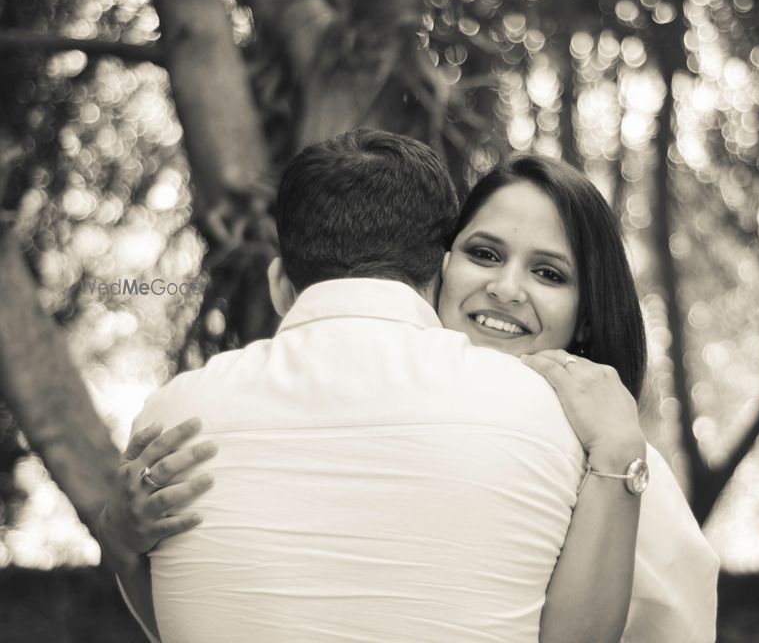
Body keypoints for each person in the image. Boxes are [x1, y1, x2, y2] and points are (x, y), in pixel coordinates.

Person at [100, 134, 718, 641]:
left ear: (587, 312)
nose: (506, 289)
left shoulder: (610, 456)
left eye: (548, 272)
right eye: (483, 253)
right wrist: (123, 538)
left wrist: (619, 458)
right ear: (438, 268)